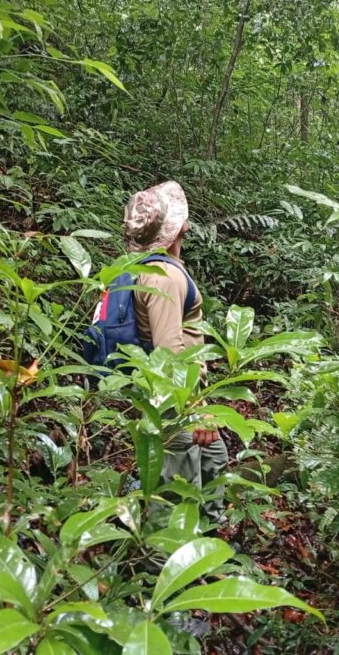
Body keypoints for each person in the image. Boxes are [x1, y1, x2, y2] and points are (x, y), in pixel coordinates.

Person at [123, 180, 228, 522]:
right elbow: (169, 353)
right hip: (172, 399)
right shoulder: (163, 276)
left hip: (173, 393)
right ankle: (164, 563)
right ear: (179, 226)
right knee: (175, 494)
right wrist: (197, 412)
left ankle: (209, 541)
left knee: (214, 456)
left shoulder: (150, 267)